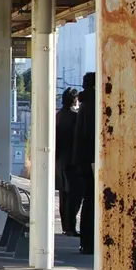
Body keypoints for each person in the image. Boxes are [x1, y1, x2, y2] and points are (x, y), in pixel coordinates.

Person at [73, 72, 97, 254]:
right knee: (91, 202)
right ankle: (89, 242)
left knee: (87, 201)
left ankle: (86, 241)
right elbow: (92, 136)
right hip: (91, 162)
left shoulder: (84, 105)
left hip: (83, 161)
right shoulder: (94, 105)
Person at [56, 87, 80, 236]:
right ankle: (71, 226)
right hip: (72, 160)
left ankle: (66, 225)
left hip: (60, 160)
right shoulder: (75, 117)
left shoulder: (58, 115)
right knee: (75, 194)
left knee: (64, 194)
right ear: (75, 100)